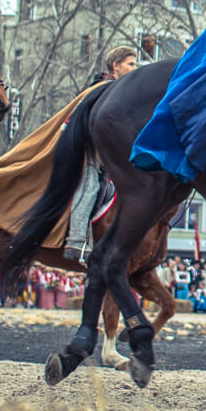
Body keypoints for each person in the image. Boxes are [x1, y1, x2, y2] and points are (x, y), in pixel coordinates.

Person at [64, 46, 138, 260]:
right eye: (130, 64)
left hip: (109, 157)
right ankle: (76, 241)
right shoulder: (103, 88)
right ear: (116, 66)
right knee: (90, 184)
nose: (135, 68)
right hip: (88, 151)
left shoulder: (121, 92)